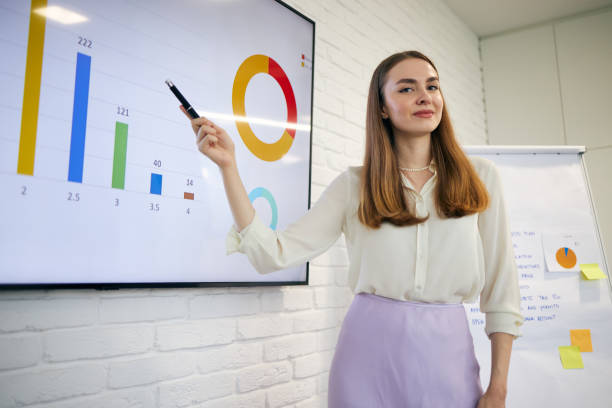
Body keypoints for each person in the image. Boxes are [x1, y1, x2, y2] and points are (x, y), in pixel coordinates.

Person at [181, 50, 522, 408]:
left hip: (448, 359)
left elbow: (502, 292)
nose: (425, 96)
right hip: (365, 360)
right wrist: (228, 167)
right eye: (406, 89)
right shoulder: (354, 185)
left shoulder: (481, 178)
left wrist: (498, 388)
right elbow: (273, 254)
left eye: (432, 86)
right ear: (382, 108)